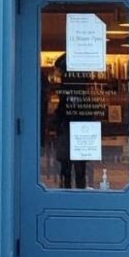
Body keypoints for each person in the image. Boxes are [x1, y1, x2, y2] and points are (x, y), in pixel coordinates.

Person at [52, 55, 92, 189]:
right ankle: (77, 190)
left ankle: (68, 190)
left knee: (68, 166)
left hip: (68, 126)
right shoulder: (81, 91)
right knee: (76, 167)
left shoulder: (68, 90)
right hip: (73, 126)